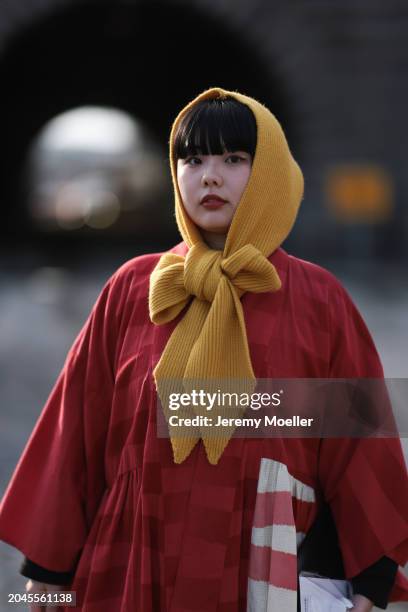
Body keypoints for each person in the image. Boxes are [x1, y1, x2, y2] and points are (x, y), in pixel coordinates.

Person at [0, 87, 407, 612]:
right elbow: (75, 428)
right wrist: (48, 571)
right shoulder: (134, 288)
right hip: (131, 556)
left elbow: (357, 446)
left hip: (266, 563)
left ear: (268, 175)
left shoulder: (318, 300)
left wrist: (368, 580)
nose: (209, 175)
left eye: (233, 159)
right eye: (193, 159)